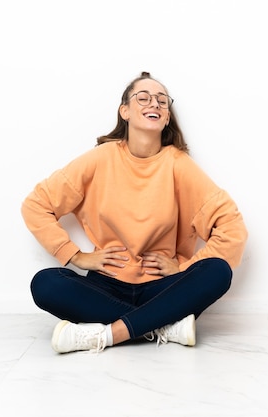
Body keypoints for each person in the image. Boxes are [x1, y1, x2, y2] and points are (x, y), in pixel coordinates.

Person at [21, 71, 248, 354]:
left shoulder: (178, 164)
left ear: (166, 117)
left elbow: (232, 227)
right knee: (46, 283)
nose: (154, 103)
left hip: (163, 286)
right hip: (107, 284)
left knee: (217, 271)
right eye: (143, 97)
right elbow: (36, 204)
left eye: (162, 101)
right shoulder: (101, 158)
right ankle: (163, 325)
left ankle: (107, 335)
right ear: (124, 111)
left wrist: (183, 268)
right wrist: (76, 256)